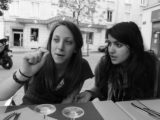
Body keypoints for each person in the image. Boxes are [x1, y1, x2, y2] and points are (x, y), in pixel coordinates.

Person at [0, 20, 94, 105]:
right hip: (29, 110)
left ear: (76, 48)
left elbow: (73, 94)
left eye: (68, 42)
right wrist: (23, 73)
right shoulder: (39, 60)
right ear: (50, 42)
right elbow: (1, 96)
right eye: (56, 40)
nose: (60, 47)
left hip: (58, 112)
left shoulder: (82, 65)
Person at [76, 21, 160, 103]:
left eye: (118, 45)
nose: (111, 50)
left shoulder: (153, 66)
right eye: (109, 43)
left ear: (133, 47)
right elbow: (100, 87)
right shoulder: (104, 64)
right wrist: (90, 93)